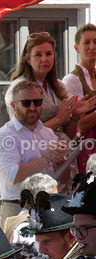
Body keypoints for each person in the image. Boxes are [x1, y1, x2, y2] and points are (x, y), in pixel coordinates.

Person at [0, 80, 68, 218]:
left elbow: (65, 178)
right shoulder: (4, 136)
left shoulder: (47, 133)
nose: (33, 107)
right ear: (13, 105)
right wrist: (47, 158)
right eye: (26, 103)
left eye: (37, 102)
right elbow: (12, 176)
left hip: (48, 206)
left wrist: (61, 161)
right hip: (17, 207)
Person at [4, 31, 87, 140]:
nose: (44, 59)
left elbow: (68, 134)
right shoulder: (18, 88)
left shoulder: (60, 86)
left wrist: (75, 117)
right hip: (34, 153)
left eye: (48, 54)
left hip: (64, 152)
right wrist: (57, 120)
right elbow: (22, 133)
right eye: (38, 55)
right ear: (28, 59)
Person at [61, 24, 96, 173]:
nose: (92, 46)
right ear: (76, 48)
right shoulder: (72, 80)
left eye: (95, 42)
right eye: (86, 42)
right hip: (85, 149)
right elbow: (80, 126)